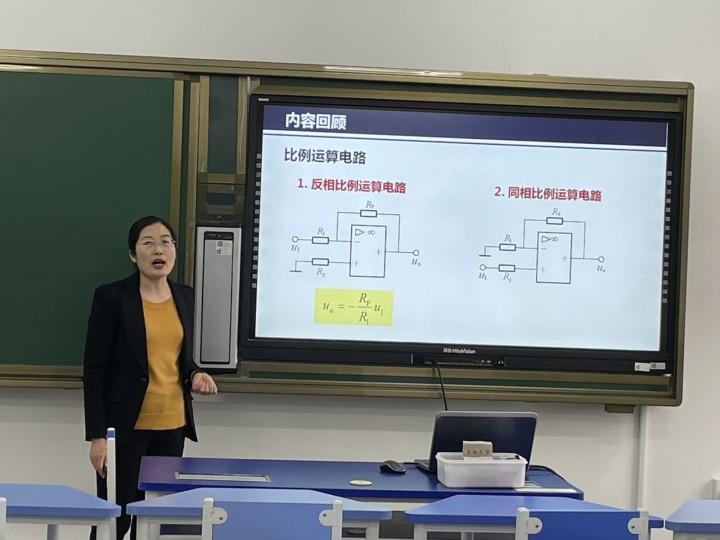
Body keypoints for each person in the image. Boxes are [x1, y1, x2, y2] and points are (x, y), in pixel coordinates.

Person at [83, 215, 218, 540]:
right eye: (149, 243)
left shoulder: (184, 296)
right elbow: (94, 370)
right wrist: (98, 437)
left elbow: (178, 358)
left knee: (155, 522)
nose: (159, 250)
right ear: (133, 254)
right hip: (125, 428)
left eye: (166, 242)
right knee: (115, 519)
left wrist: (195, 372)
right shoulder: (112, 297)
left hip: (172, 425)